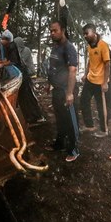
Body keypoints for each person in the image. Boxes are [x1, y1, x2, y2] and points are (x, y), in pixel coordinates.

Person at [45, 21, 80, 162]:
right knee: (60, 119)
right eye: (51, 31)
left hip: (67, 90)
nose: (52, 33)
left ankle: (74, 149)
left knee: (71, 121)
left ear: (63, 30)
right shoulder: (56, 47)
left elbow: (72, 71)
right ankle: (59, 144)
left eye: (55, 30)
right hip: (57, 90)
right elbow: (53, 67)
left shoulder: (69, 48)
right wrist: (49, 83)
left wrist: (70, 93)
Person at [0, 31, 46, 123]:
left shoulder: (16, 48)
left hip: (24, 76)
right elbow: (8, 60)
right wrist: (0, 62)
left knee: (28, 97)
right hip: (20, 77)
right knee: (23, 98)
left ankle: (37, 116)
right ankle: (30, 117)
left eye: (3, 39)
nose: (1, 41)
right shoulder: (9, 48)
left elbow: (13, 61)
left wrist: (2, 64)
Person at [79, 23, 111, 137]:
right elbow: (90, 61)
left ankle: (104, 130)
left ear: (94, 33)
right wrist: (85, 74)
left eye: (87, 33)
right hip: (90, 79)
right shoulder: (89, 46)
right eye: (84, 34)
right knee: (83, 100)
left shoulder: (103, 45)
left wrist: (105, 82)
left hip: (100, 82)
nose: (85, 36)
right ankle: (90, 125)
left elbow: (107, 64)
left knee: (101, 106)